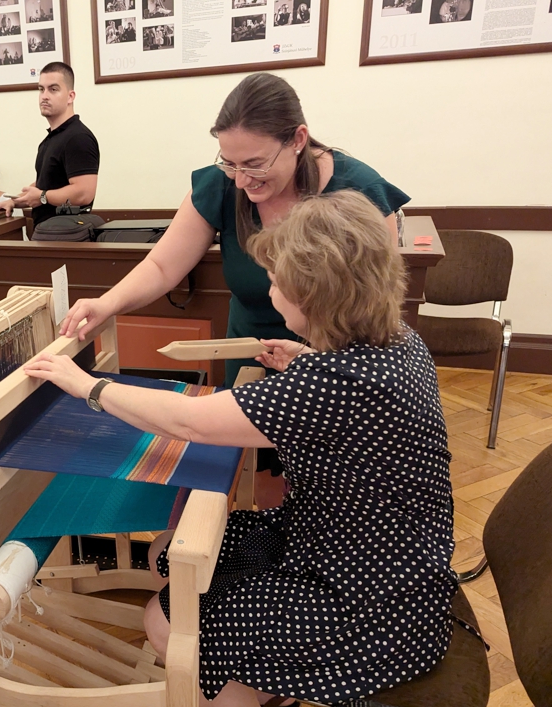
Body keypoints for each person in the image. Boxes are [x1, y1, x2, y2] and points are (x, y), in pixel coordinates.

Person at [24, 190, 460, 707]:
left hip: (370, 606)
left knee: (164, 623)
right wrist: (305, 354)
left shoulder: (332, 384)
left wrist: (86, 386)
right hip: (363, 554)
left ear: (314, 296)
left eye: (276, 282)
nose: (269, 290)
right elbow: (343, 403)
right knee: (168, 554)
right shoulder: (399, 342)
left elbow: (189, 423)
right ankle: (274, 690)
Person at [60, 72, 408, 508]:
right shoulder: (224, 184)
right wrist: (107, 304)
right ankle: (281, 525)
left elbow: (375, 297)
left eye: (255, 164)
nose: (241, 180)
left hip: (329, 358)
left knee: (325, 483)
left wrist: (89, 388)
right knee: (258, 479)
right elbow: (163, 264)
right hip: (265, 352)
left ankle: (294, 530)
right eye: (230, 163)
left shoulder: (359, 191)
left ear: (298, 139)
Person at [0, 62, 99, 228]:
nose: (44, 96)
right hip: (47, 232)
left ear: (70, 96)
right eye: (41, 89)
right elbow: (45, 184)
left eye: (53, 89)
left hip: (66, 235)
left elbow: (83, 193)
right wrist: (15, 201)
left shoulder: (78, 137)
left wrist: (42, 196)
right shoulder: (51, 139)